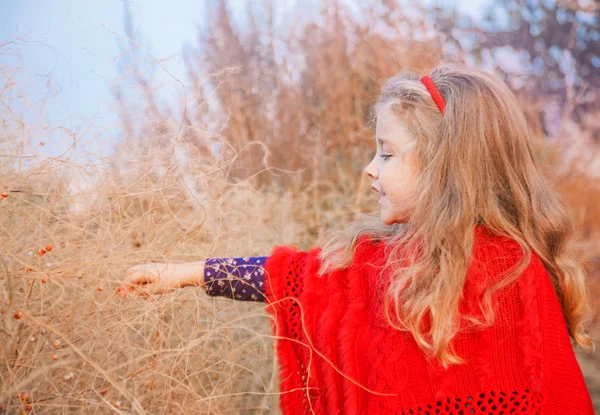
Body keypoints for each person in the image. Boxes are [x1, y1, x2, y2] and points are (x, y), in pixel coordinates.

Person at [119, 64, 596, 414]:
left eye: (387, 154)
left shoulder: (515, 271)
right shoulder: (382, 263)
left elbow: (553, 396)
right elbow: (296, 277)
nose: (370, 168)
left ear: (445, 169)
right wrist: (185, 274)